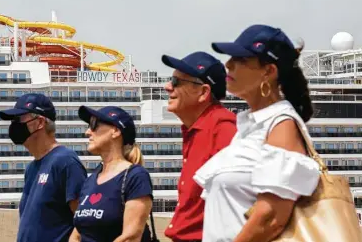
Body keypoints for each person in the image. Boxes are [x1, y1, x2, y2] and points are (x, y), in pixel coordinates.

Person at [194, 24, 321, 242]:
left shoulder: (281, 124)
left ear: (269, 71)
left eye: (241, 60)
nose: (228, 65)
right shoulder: (250, 126)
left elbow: (270, 217)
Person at [161, 51, 237, 242]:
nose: (167, 86)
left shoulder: (224, 131)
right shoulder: (197, 129)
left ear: (203, 92)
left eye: (177, 82)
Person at [0, 93, 87, 242]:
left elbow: (84, 221)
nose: (14, 125)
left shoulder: (65, 162)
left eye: (19, 119)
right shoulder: (31, 168)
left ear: (39, 122)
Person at [70, 106, 154, 242]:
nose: (87, 132)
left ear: (115, 131)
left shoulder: (135, 176)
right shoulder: (91, 180)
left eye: (93, 125)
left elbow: (131, 237)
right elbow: (78, 233)